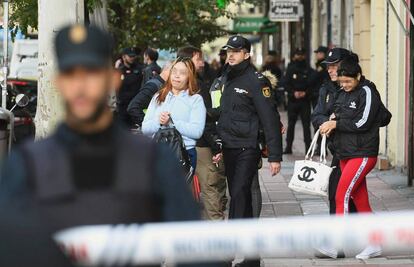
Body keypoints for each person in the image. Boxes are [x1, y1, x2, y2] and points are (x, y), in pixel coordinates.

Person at [0, 24, 201, 266]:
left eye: (92, 73)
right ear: (59, 82)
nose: (81, 85)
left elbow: (194, 252)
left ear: (112, 80)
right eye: (71, 74)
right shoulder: (27, 165)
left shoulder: (153, 161)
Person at [216, 35, 283, 267]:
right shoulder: (224, 77)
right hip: (228, 146)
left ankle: (227, 253)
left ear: (247, 54)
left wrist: (275, 155)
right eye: (228, 51)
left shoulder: (256, 80)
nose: (231, 55)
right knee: (240, 197)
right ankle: (252, 256)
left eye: (236, 51)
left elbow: (270, 120)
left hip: (247, 147)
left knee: (238, 194)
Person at [319, 56, 385, 260]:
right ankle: (375, 243)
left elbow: (363, 122)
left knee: (341, 196)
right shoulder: (341, 93)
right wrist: (331, 121)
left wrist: (337, 124)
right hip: (345, 153)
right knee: (361, 200)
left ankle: (336, 243)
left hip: (363, 154)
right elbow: (338, 114)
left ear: (358, 76)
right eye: (342, 82)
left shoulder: (367, 91)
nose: (345, 85)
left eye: (348, 81)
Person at [177, 46, 227, 220]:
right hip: (201, 144)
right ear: (189, 61)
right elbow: (203, 120)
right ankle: (216, 231)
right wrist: (215, 145)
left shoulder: (187, 83)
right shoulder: (193, 86)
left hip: (189, 144)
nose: (202, 62)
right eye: (199, 59)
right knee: (210, 188)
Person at [312, 48, 358, 217]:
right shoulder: (326, 88)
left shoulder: (360, 89)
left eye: (334, 65)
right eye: (328, 66)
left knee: (338, 192)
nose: (330, 69)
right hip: (338, 149)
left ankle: (340, 236)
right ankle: (364, 236)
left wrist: (336, 122)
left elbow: (380, 117)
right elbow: (316, 115)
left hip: (355, 150)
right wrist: (327, 123)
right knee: (352, 195)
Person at [142, 57, 206, 170]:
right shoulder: (158, 96)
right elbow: (145, 128)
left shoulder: (196, 99)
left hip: (184, 153)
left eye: (182, 73)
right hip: (158, 151)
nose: (177, 76)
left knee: (180, 187)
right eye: (174, 71)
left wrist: (172, 122)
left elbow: (197, 131)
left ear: (189, 77)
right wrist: (158, 121)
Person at [283, 48, 313, 154]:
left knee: (306, 125)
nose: (299, 57)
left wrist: (306, 93)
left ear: (304, 56)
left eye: (301, 55)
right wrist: (293, 93)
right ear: (294, 56)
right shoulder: (290, 69)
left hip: (305, 101)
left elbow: (312, 84)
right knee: (291, 124)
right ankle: (288, 147)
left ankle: (308, 148)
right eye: (297, 55)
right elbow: (285, 83)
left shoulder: (308, 69)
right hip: (293, 101)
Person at [127, 61, 172, 128]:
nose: (177, 75)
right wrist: (147, 126)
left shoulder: (163, 85)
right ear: (166, 70)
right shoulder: (153, 85)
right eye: (174, 71)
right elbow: (133, 107)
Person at [116, 47, 144, 128]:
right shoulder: (119, 71)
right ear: (124, 57)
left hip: (135, 106)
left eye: (133, 56)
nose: (132, 58)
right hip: (122, 107)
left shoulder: (140, 69)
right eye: (130, 56)